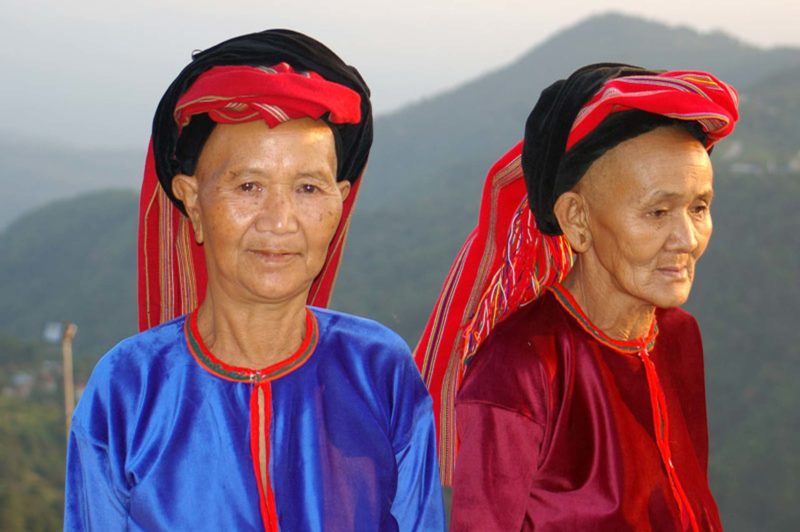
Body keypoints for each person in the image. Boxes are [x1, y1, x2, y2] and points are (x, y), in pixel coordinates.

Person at [65, 29, 445, 531]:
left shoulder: (380, 372)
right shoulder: (130, 391)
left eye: (308, 187)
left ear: (339, 204)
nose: (279, 220)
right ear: (192, 202)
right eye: (249, 186)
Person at [414, 64, 739, 530]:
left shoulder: (677, 335)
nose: (687, 237)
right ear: (578, 220)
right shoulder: (518, 371)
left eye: (699, 207)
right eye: (657, 211)